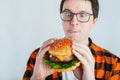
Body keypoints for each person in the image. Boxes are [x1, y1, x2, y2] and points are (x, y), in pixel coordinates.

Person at [23, 0, 120, 80]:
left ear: (94, 21)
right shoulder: (38, 56)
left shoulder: (113, 63)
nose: (74, 22)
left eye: (82, 15)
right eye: (68, 14)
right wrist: (37, 77)